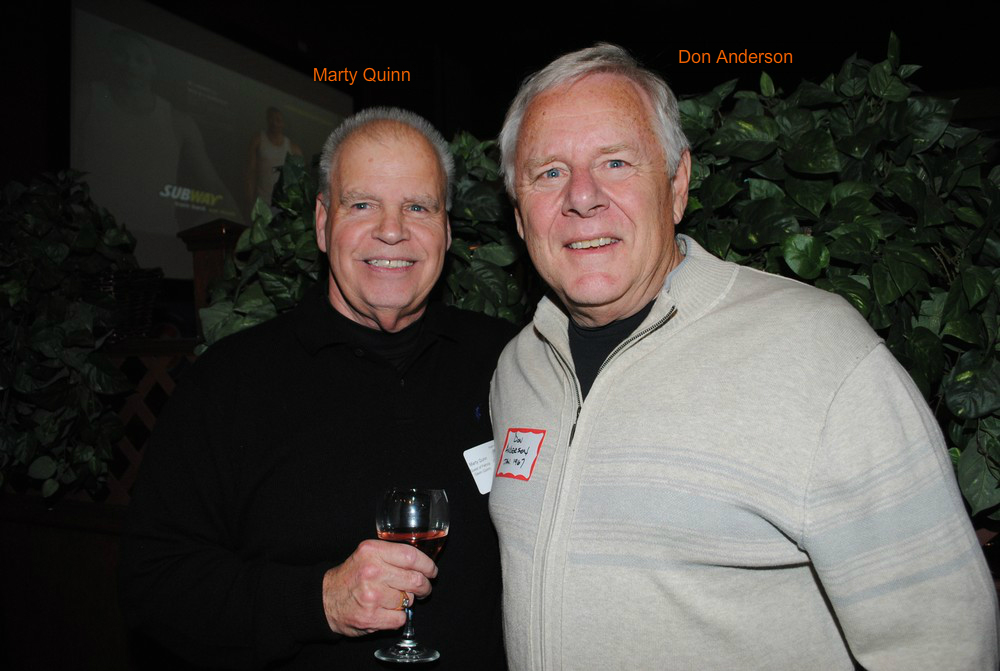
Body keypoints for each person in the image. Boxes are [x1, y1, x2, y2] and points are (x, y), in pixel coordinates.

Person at [488, 43, 999, 670]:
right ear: (519, 215)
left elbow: (945, 642)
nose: (582, 197)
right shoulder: (519, 369)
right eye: (548, 173)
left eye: (616, 162)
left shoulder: (817, 353)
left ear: (677, 184)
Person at [120, 107, 513, 670]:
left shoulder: (509, 362)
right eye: (362, 204)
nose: (393, 230)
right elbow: (154, 585)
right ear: (323, 224)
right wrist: (320, 601)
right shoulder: (231, 382)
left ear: (447, 231)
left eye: (418, 206)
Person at [246, 106, 303, 213]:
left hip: (282, 207)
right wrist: (250, 200)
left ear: (283, 123)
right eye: (271, 119)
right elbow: (251, 172)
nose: (274, 123)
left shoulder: (293, 149)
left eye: (278, 120)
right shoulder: (258, 140)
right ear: (267, 120)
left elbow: (298, 182)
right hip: (262, 202)